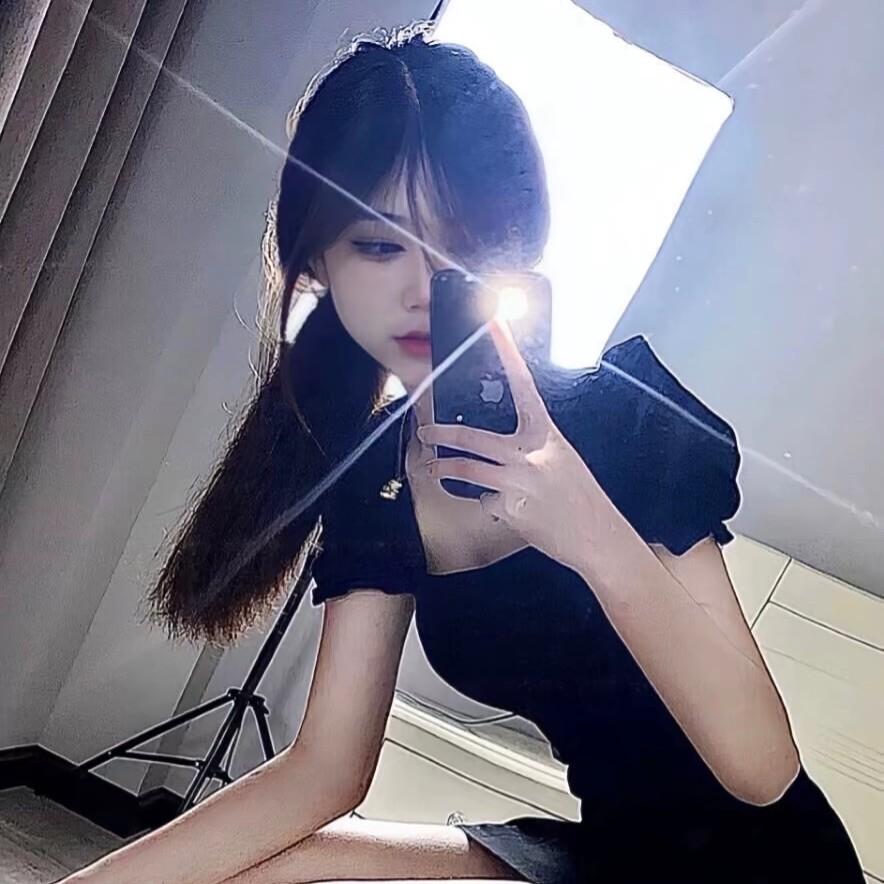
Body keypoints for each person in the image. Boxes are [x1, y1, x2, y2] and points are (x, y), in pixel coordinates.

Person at [63, 19, 866, 884]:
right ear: (319, 261)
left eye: (465, 249)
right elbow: (325, 771)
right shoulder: (375, 482)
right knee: (280, 869)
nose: (422, 288)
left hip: (770, 870)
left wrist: (585, 525)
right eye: (379, 245)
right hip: (609, 856)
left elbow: (761, 769)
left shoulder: (620, 417)